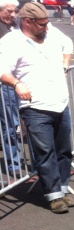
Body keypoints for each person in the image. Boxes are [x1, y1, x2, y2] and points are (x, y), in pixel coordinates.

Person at [0, 2, 74, 213]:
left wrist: (65, 64)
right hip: (35, 107)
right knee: (45, 151)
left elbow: (68, 44)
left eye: (46, 23)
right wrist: (16, 83)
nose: (45, 27)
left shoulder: (51, 35)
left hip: (60, 102)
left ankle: (63, 188)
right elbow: (2, 70)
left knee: (64, 150)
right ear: (27, 21)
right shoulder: (12, 42)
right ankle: (53, 196)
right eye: (41, 24)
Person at [0, 0, 22, 177]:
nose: (13, 15)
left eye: (16, 11)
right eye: (9, 11)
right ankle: (14, 162)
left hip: (21, 79)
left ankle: (18, 159)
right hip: (6, 82)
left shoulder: (17, 25)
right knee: (10, 123)